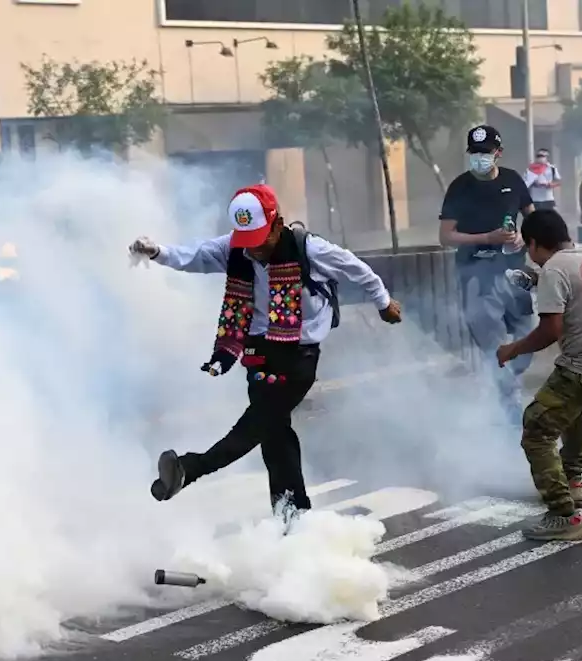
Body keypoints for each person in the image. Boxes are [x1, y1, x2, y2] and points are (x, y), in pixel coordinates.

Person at [130, 184, 403, 515]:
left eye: (260, 239)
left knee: (256, 424)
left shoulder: (310, 249)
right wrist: (157, 252)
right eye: (247, 241)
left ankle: (191, 468)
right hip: (259, 351)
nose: (254, 250)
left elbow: (357, 270)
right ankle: (292, 516)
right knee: (274, 435)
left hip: (298, 354)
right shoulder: (236, 249)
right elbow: (196, 256)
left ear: (277, 224)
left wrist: (384, 303)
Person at [497, 209, 582, 541]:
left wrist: (513, 348)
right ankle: (573, 482)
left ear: (532, 243)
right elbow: (575, 285)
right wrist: (536, 280)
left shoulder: (555, 269)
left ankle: (564, 515)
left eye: (528, 248)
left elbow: (549, 331)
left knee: (536, 428)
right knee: (572, 408)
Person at [438, 124, 537, 423]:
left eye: (485, 153)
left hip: (515, 273)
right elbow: (446, 236)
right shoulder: (459, 187)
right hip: (476, 276)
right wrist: (487, 238)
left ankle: (504, 387)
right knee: (494, 347)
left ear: (498, 153)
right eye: (474, 153)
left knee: (529, 338)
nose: (479, 158)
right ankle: (507, 410)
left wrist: (524, 236)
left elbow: (534, 219)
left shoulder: (513, 180)